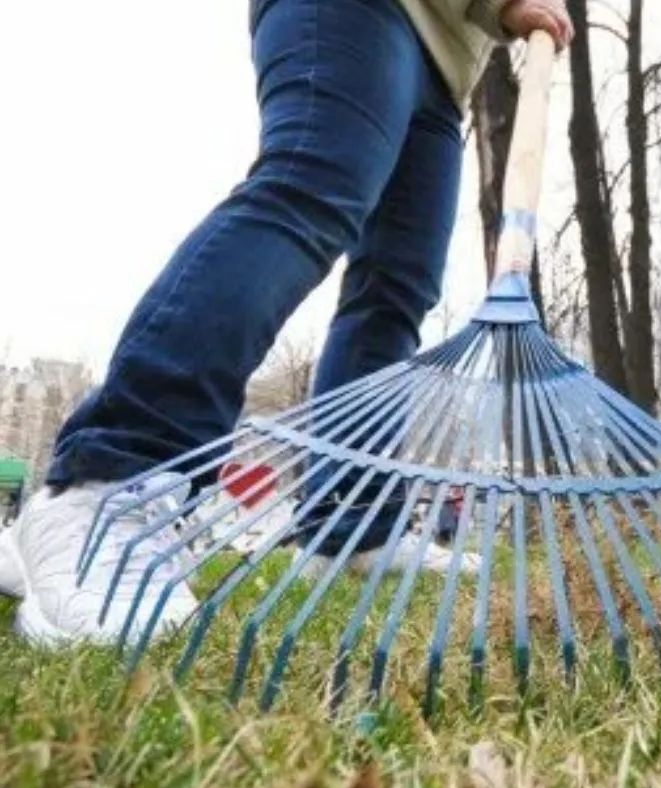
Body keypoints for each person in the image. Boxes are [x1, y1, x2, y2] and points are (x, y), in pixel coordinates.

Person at [0, 0, 573, 648]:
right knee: (310, 191)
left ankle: (352, 523)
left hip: (446, 64)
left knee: (396, 288)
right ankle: (111, 479)